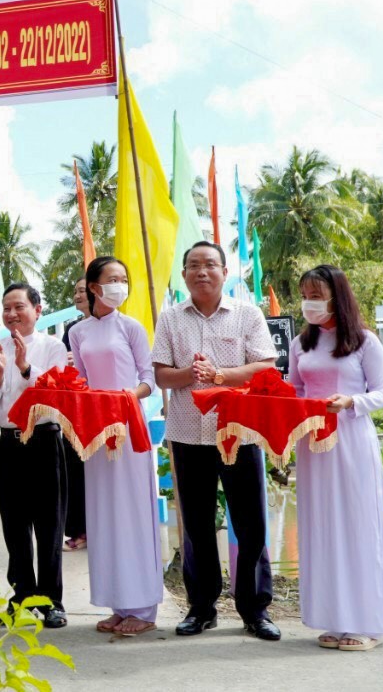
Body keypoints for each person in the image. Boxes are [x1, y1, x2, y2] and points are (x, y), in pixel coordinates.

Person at [152, 241, 280, 641]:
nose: (201, 271)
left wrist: (220, 376)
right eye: (193, 265)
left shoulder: (247, 314)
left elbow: (264, 367)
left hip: (239, 433)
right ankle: (201, 607)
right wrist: (190, 373)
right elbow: (160, 375)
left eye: (210, 264)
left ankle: (254, 610)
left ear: (225, 272)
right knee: (196, 525)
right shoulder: (171, 318)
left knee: (251, 524)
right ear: (184, 274)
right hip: (188, 434)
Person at [289, 265, 383, 652]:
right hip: (313, 445)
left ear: (337, 295)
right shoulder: (301, 343)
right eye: (305, 293)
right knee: (322, 526)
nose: (309, 302)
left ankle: (365, 622)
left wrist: (351, 402)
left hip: (351, 439)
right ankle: (334, 618)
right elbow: (294, 389)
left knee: (356, 524)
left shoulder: (365, 341)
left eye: (316, 294)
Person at [69, 257, 163, 636]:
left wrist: (127, 396)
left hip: (128, 427)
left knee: (133, 512)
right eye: (112, 279)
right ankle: (117, 603)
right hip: (96, 430)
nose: (119, 285)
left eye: (124, 279)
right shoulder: (78, 332)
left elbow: (149, 379)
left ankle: (143, 607)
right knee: (105, 514)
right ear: (94, 287)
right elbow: (78, 379)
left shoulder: (132, 327)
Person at [0, 282, 68, 628]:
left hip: (44, 440)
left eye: (19, 307)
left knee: (49, 524)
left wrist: (26, 367)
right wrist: (0, 371)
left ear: (37, 310)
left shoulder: (53, 346)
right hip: (9, 442)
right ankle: (21, 595)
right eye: (6, 308)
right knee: (14, 524)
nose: (12, 314)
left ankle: (50, 600)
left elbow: (55, 393)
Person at [60, 277, 90, 550]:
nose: (78, 295)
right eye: (76, 291)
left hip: (102, 408)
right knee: (75, 470)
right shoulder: (71, 329)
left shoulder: (120, 326)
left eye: (83, 290)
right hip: (75, 408)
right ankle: (79, 529)